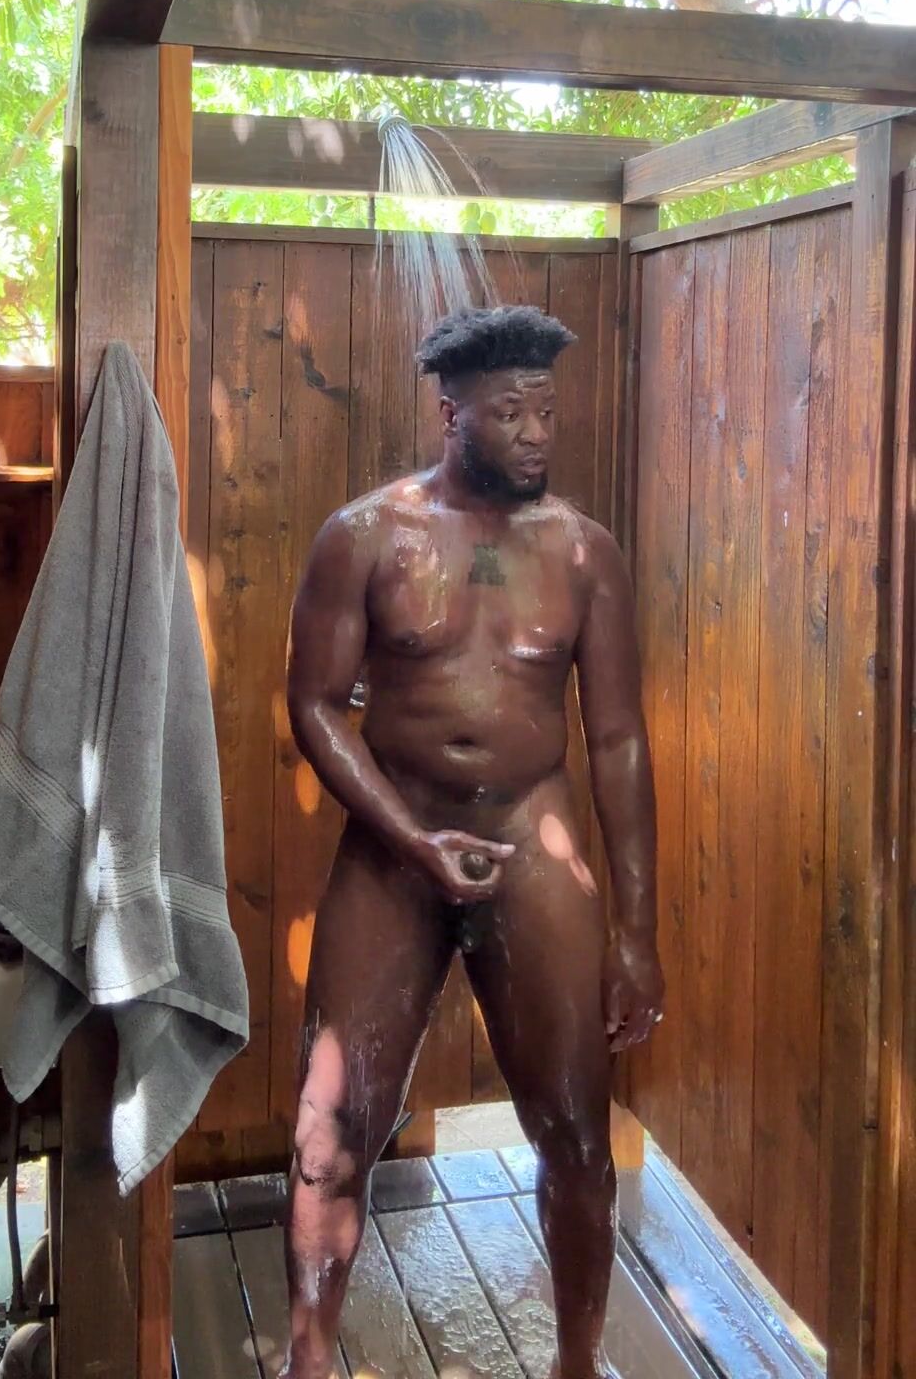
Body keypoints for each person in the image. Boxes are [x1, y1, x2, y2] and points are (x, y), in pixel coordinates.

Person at [283, 304, 663, 1379]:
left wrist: (637, 934)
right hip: (394, 840)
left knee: (578, 1133)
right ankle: (308, 1359)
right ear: (453, 415)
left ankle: (578, 1365)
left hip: (533, 840)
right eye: (511, 413)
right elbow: (314, 705)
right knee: (330, 1125)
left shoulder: (583, 552)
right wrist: (411, 839)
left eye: (548, 411)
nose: (537, 434)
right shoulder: (366, 536)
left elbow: (620, 740)